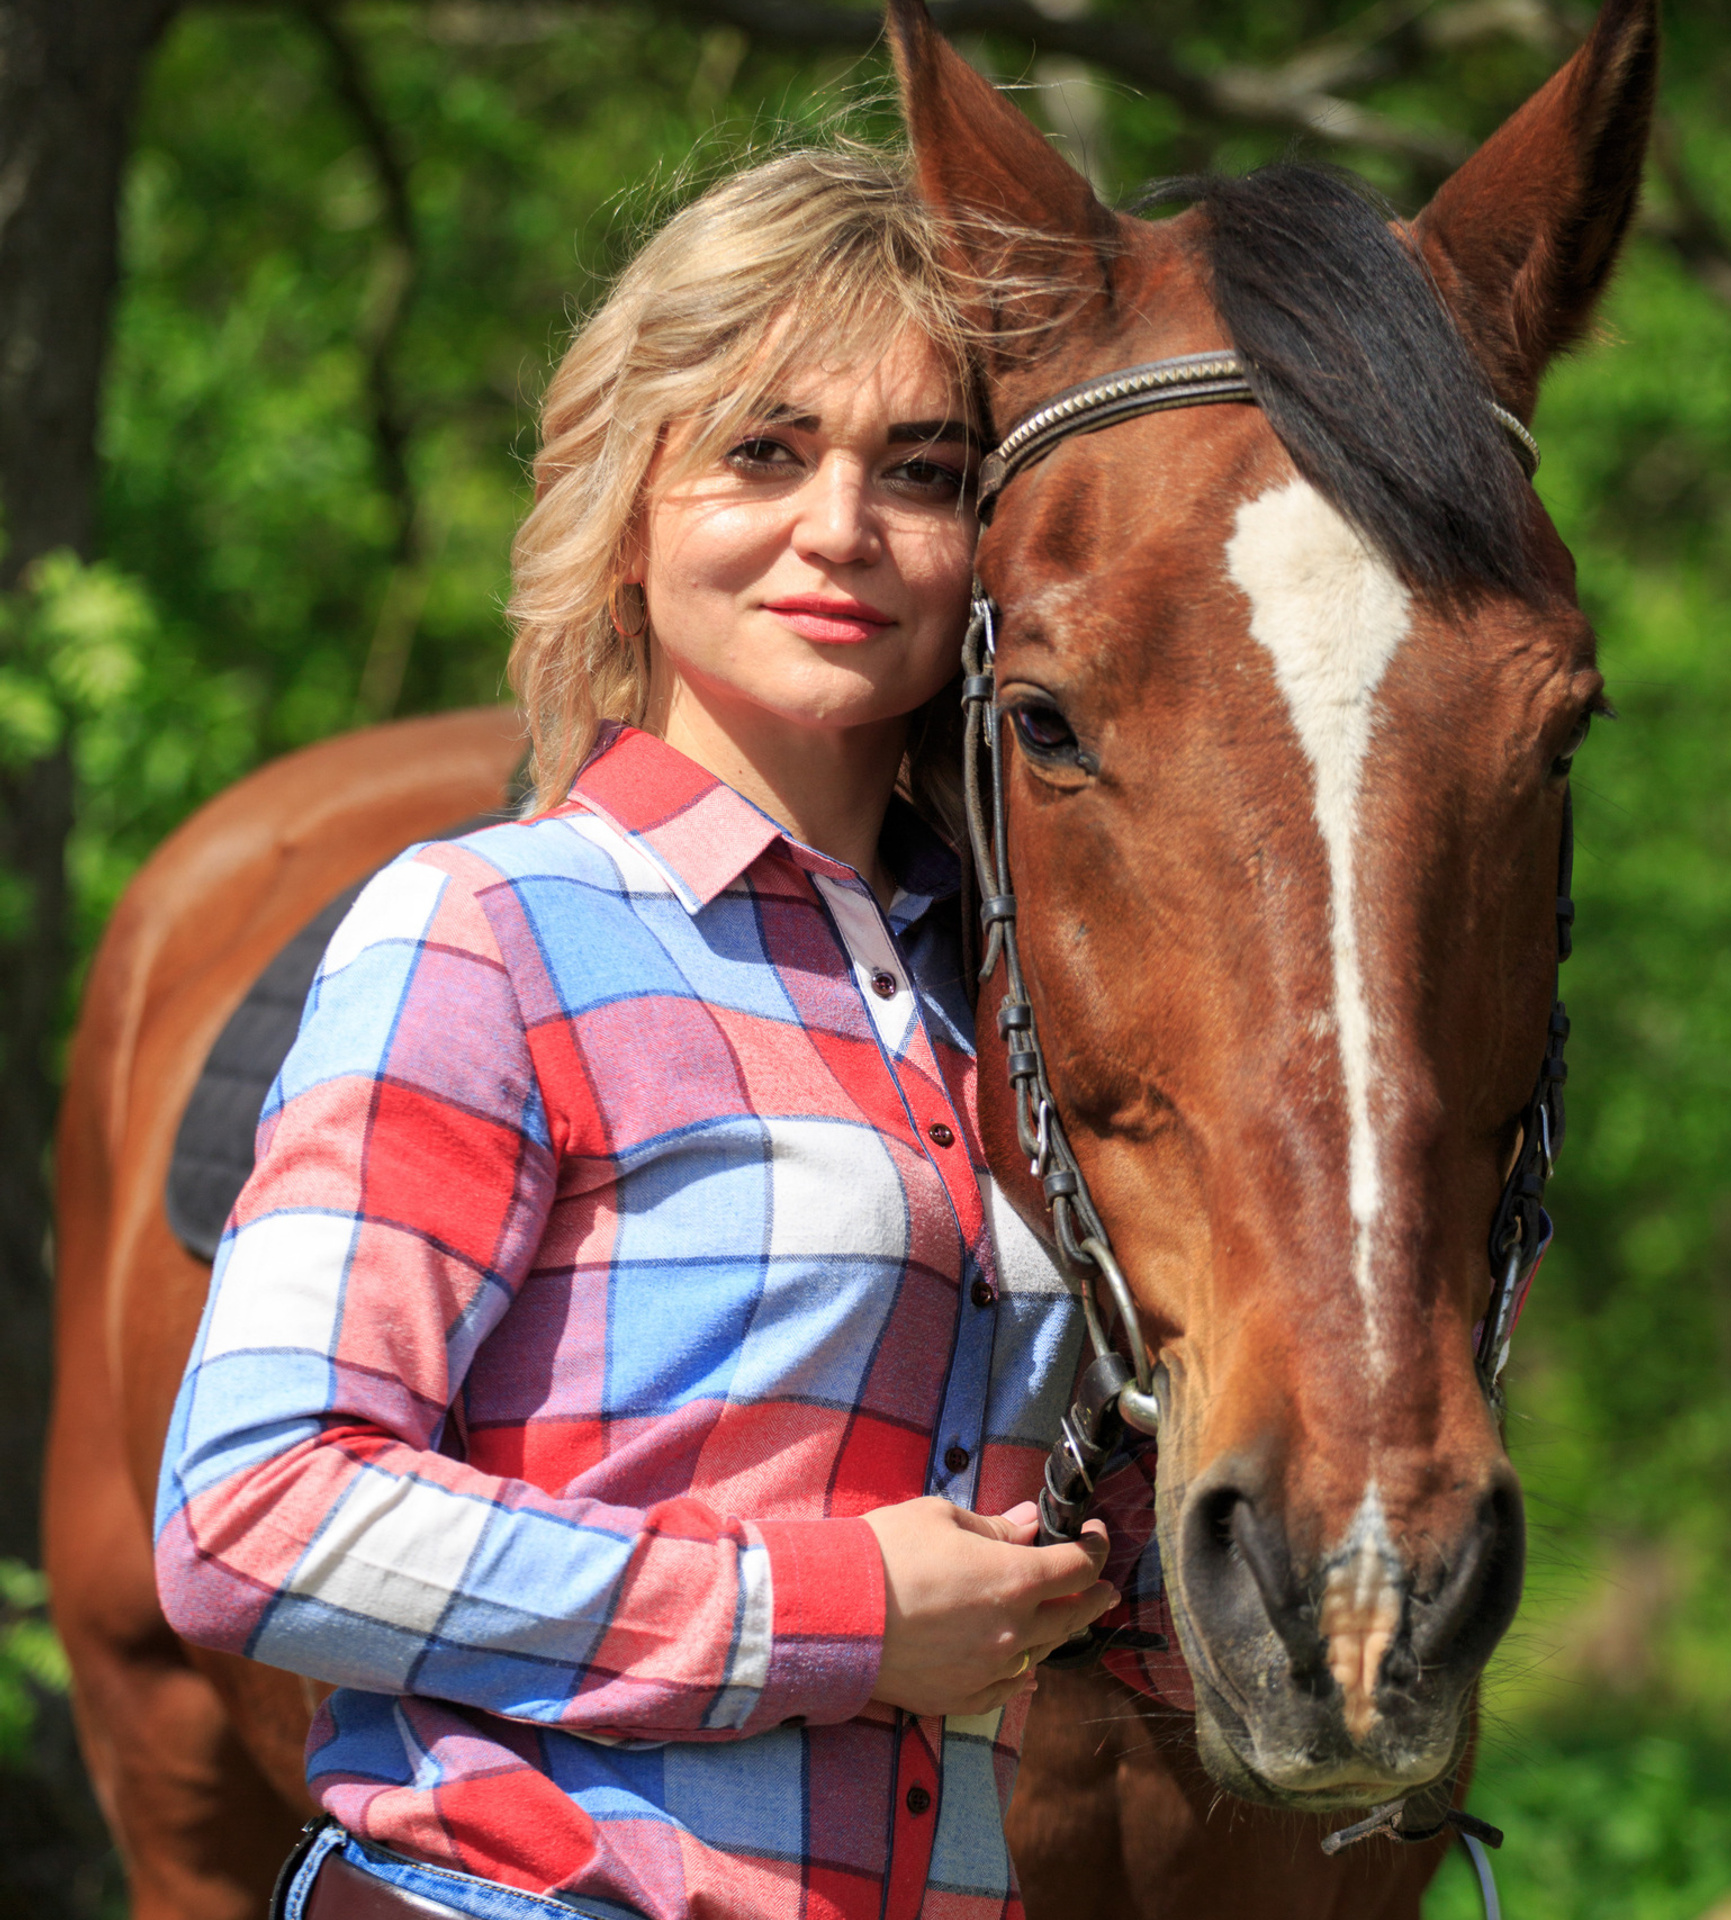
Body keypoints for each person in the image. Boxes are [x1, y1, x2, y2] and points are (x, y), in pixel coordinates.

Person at [154, 145, 1132, 1920]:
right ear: (632, 500)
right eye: (767, 452)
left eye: (922, 473)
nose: (841, 526)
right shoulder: (492, 929)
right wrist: (830, 1614)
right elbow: (251, 1517)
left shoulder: (1020, 1009)